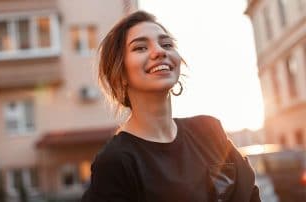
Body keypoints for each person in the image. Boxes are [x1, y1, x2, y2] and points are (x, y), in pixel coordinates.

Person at [81, 10, 261, 202]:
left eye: (166, 44)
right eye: (140, 48)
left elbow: (250, 195)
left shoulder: (209, 129)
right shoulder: (116, 162)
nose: (159, 51)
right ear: (120, 74)